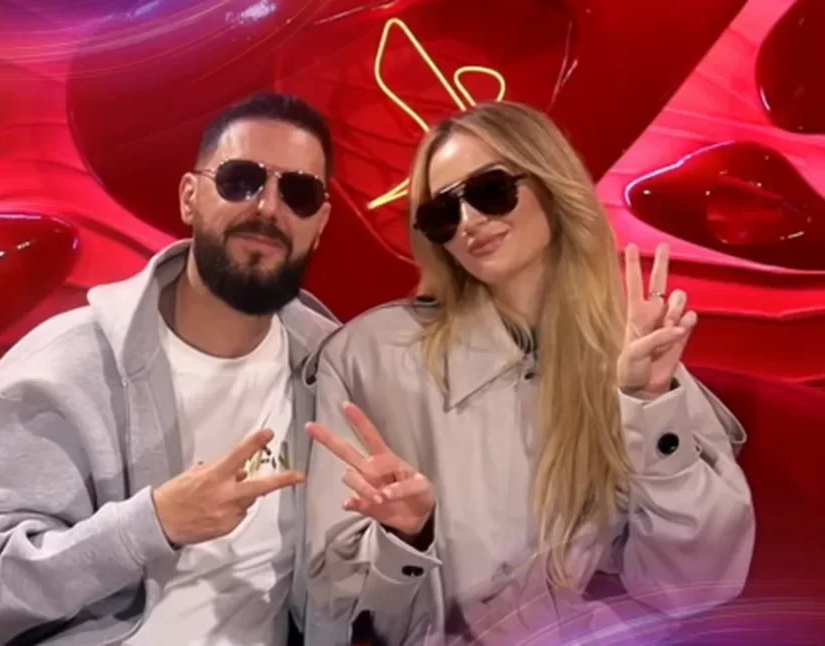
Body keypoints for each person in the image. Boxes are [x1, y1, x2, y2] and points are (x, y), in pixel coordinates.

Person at [303, 102, 754, 645]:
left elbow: (695, 588)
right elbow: (325, 607)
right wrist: (407, 539)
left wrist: (649, 404)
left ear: (549, 183)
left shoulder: (626, 354)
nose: (468, 222)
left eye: (490, 191)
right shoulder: (370, 356)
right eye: (442, 214)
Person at [0, 92, 339, 646]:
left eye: (298, 193)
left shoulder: (333, 370)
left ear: (320, 223)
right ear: (190, 197)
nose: (267, 208)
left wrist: (408, 533)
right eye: (240, 180)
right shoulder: (64, 369)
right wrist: (150, 525)